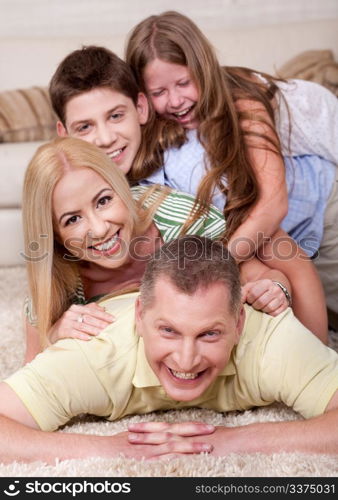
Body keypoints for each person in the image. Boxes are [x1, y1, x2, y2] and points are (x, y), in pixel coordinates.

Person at [46, 46, 328, 342]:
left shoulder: (183, 167)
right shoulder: (74, 182)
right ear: (63, 132)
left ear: (141, 108)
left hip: (316, 207)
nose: (104, 138)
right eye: (85, 126)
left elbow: (286, 252)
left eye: (115, 116)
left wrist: (318, 358)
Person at [1, 235, 338, 464]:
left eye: (208, 334)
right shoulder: (95, 353)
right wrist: (105, 447)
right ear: (140, 317)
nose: (186, 360)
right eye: (168, 331)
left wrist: (233, 441)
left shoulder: (270, 340)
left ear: (238, 323)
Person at [125, 10, 338, 326]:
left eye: (184, 83)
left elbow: (272, 203)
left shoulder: (243, 99)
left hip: (325, 200)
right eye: (159, 92)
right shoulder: (161, 128)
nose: (175, 100)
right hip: (282, 227)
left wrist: (215, 264)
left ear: (203, 69)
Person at [22, 136, 228, 363]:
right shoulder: (55, 281)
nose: (99, 229)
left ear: (122, 188)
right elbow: (29, 371)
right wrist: (54, 334)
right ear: (55, 236)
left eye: (103, 201)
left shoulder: (182, 222)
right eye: (73, 220)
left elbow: (255, 264)